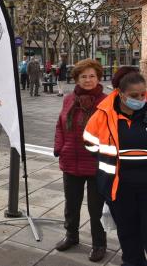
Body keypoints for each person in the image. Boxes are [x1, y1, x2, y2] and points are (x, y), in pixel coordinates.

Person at [84, 69, 147, 266]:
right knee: (128, 232)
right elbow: (89, 142)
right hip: (118, 188)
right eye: (134, 96)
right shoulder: (103, 114)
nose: (140, 99)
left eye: (143, 94)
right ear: (121, 93)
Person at [53, 59, 107, 262]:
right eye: (83, 76)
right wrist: (60, 147)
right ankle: (71, 236)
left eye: (92, 76)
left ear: (99, 77)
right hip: (71, 160)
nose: (88, 80)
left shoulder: (107, 102)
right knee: (71, 204)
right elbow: (60, 125)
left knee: (96, 208)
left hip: (96, 164)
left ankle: (99, 244)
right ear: (76, 78)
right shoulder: (68, 99)